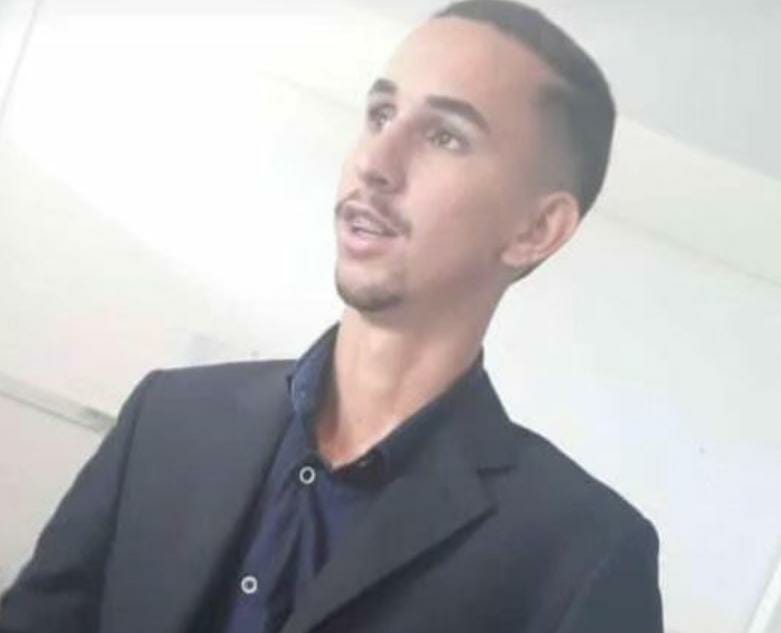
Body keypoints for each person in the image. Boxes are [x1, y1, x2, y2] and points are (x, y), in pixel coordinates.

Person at [0, 1, 663, 632]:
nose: (374, 163)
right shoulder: (168, 418)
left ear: (535, 229)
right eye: (379, 114)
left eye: (444, 136)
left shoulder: (582, 553)